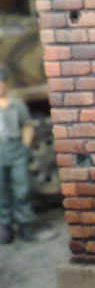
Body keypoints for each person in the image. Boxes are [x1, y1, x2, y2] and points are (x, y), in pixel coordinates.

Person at [0, 69, 35, 244]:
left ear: (5, 84)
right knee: (1, 192)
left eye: (1, 83)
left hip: (15, 148)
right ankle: (5, 226)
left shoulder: (16, 104)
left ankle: (24, 225)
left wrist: (25, 145)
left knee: (22, 188)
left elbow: (27, 124)